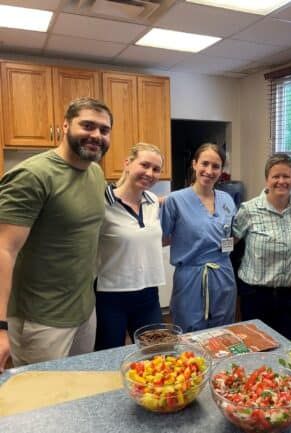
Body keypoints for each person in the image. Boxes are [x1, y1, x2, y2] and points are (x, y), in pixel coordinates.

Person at [0, 97, 113, 370]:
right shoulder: (33, 175)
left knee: (79, 390)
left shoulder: (96, 173)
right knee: (42, 404)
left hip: (84, 311)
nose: (96, 135)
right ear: (64, 126)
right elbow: (4, 249)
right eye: (87, 125)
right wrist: (1, 327)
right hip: (41, 319)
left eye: (104, 130)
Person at [232, 153, 291, 341]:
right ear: (266, 180)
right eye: (275, 176)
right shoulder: (249, 210)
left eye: (286, 176)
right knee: (256, 347)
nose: (281, 181)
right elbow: (230, 244)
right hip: (256, 295)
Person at [95, 143, 165, 350]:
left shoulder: (152, 200)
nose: (150, 173)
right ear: (127, 163)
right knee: (110, 355)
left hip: (148, 293)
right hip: (112, 295)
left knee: (154, 353)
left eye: (156, 169)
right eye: (144, 165)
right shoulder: (103, 203)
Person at [160, 143, 236, 332]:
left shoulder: (226, 199)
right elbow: (161, 238)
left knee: (223, 331)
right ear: (194, 164)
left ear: (221, 170)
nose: (209, 171)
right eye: (204, 164)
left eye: (216, 166)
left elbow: (231, 235)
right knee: (189, 331)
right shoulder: (175, 200)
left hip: (223, 275)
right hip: (191, 278)